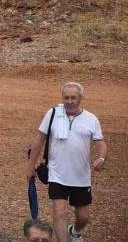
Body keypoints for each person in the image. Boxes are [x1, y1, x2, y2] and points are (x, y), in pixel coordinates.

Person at [26, 82, 107, 242]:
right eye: (66, 97)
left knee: (83, 216)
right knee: (59, 211)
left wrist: (101, 157)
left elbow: (101, 143)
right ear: (63, 98)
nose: (69, 101)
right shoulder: (52, 114)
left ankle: (75, 231)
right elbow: (39, 140)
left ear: (81, 98)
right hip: (57, 173)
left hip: (81, 176)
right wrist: (30, 166)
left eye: (73, 98)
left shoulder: (91, 119)